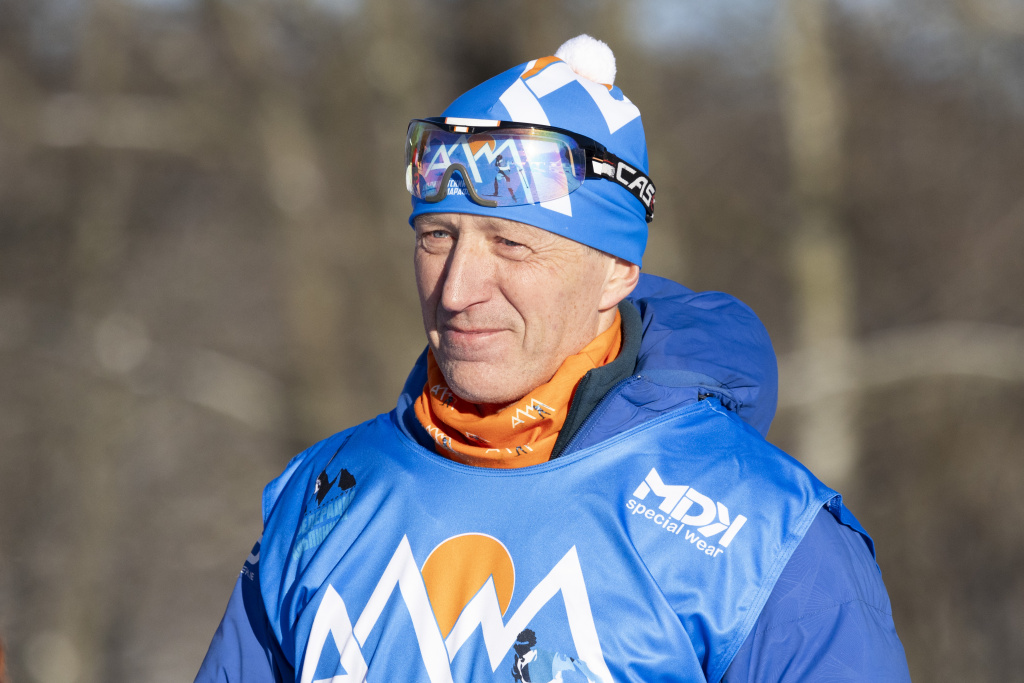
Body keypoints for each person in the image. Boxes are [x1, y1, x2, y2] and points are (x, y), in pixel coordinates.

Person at [196, 35, 910, 682]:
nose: (457, 290)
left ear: (616, 272)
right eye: (438, 237)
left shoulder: (765, 534)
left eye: (511, 245)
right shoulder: (321, 494)